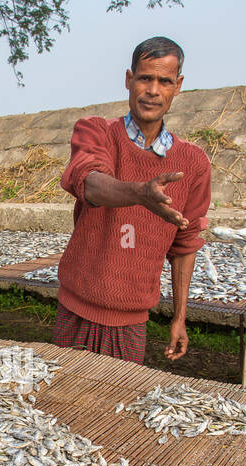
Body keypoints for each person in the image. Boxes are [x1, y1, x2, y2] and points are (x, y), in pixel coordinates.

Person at [54, 36, 212, 365]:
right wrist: (140, 193)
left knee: (114, 410)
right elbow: (91, 182)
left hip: (131, 321)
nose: (153, 90)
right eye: (145, 78)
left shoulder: (193, 163)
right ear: (129, 80)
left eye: (164, 81)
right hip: (76, 308)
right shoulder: (96, 132)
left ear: (177, 86)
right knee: (61, 405)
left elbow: (186, 245)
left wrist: (179, 317)